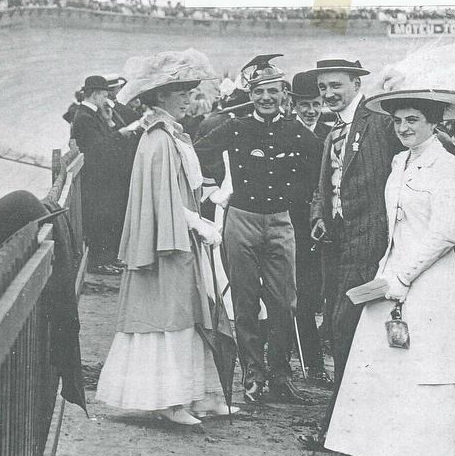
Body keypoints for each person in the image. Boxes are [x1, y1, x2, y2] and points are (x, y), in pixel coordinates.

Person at [319, 88, 455, 456]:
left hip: (430, 282)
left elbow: (442, 235)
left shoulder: (449, 168)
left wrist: (403, 277)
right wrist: (389, 273)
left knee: (424, 369)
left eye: (413, 121)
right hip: (390, 274)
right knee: (375, 362)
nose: (403, 128)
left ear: (434, 123)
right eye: (399, 121)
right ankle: (371, 451)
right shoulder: (399, 161)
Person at [95, 49, 237, 426]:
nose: (191, 98)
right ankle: (169, 400)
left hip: (181, 239)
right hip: (165, 244)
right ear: (161, 97)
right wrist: (198, 223)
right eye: (183, 93)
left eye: (191, 92)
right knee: (169, 318)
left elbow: (183, 188)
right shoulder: (157, 139)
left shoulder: (174, 135)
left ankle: (203, 395)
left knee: (193, 314)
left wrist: (209, 194)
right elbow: (162, 202)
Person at [195, 55, 320, 403]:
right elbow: (195, 150)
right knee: (245, 301)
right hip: (241, 219)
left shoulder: (297, 131)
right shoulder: (235, 128)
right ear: (251, 94)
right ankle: (253, 374)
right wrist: (212, 189)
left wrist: (303, 198)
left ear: (284, 94)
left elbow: (320, 166)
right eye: (260, 91)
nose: (267, 97)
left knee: (284, 302)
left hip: (282, 222)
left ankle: (280, 374)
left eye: (274, 91)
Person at [299, 58, 403, 450]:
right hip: (337, 244)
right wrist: (319, 215)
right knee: (341, 331)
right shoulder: (333, 131)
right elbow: (323, 185)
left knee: (345, 330)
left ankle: (338, 431)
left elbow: (422, 148)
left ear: (356, 82)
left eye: (335, 85)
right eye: (323, 87)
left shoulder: (377, 120)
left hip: (368, 244)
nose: (327, 93)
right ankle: (344, 428)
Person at [71, 75, 142, 274]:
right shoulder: (85, 117)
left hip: (101, 178)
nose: (106, 98)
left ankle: (108, 258)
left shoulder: (91, 114)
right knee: (101, 219)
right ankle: (99, 262)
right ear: (94, 95)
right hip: (97, 179)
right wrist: (121, 133)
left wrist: (111, 123)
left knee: (108, 218)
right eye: (103, 94)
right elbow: (97, 148)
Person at [288, 70, 331, 379]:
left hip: (325, 226)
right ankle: (312, 365)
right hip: (292, 225)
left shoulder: (331, 134)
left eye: (315, 104)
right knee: (301, 293)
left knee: (321, 293)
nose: (311, 110)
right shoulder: (285, 131)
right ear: (293, 104)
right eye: (304, 104)